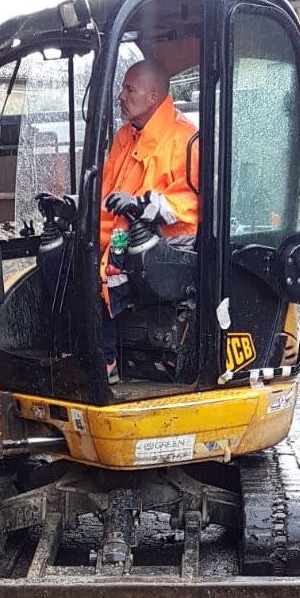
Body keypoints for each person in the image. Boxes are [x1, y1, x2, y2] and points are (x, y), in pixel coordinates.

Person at [95, 58, 200, 377]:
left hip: (165, 245)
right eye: (122, 89)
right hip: (120, 234)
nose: (121, 97)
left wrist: (141, 205)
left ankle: (105, 361)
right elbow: (106, 191)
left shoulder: (185, 140)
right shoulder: (126, 136)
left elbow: (190, 207)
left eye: (130, 89)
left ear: (154, 96)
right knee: (63, 261)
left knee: (102, 276)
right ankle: (75, 352)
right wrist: (75, 205)